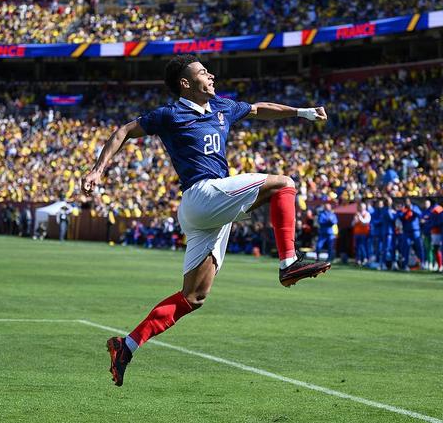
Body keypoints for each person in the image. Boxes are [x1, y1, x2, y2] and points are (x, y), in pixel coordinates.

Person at [81, 54, 331, 387]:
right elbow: (125, 130)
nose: (210, 75)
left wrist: (302, 112)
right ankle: (288, 263)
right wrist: (97, 170)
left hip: (207, 210)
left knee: (193, 297)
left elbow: (259, 109)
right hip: (202, 194)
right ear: (185, 83)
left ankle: (125, 346)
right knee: (284, 183)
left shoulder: (222, 106)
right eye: (203, 72)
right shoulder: (170, 114)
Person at [400, 198, 423, 271]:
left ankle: (422, 263)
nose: (407, 203)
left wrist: (412, 209)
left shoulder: (415, 207)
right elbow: (400, 216)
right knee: (406, 247)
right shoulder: (403, 209)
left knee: (419, 247)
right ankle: (405, 265)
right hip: (406, 231)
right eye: (405, 202)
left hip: (415, 230)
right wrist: (403, 212)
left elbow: (420, 214)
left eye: (408, 202)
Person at [352, 202, 370, 266]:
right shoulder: (357, 214)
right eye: (360, 207)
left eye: (362, 207)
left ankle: (365, 259)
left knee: (362, 246)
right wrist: (355, 220)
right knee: (357, 247)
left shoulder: (367, 214)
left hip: (364, 233)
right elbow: (353, 224)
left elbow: (365, 222)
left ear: (364, 207)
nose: (361, 208)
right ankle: (358, 260)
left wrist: (359, 217)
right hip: (357, 233)